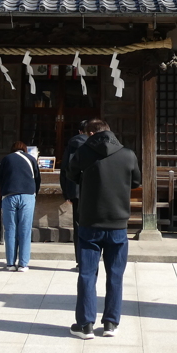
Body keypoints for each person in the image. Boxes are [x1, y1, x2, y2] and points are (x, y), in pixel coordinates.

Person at [66, 118, 141, 339]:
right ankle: (110, 323)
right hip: (118, 223)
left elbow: (71, 174)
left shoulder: (83, 152)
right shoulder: (127, 154)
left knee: (87, 274)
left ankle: (85, 325)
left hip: (90, 221)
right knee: (115, 275)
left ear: (90, 134)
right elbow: (136, 182)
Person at [0, 140, 40, 272]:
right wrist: (34, 193)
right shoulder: (31, 159)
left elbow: (1, 179)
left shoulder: (6, 159)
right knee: (25, 230)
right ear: (25, 149)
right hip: (27, 195)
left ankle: (10, 263)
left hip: (9, 195)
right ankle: (23, 264)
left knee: (10, 230)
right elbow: (37, 179)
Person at [59, 120, 89, 268]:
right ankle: (91, 259)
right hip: (92, 190)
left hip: (76, 191)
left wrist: (67, 192)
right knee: (92, 225)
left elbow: (65, 169)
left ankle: (80, 261)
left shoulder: (71, 145)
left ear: (79, 132)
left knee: (78, 226)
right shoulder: (95, 145)